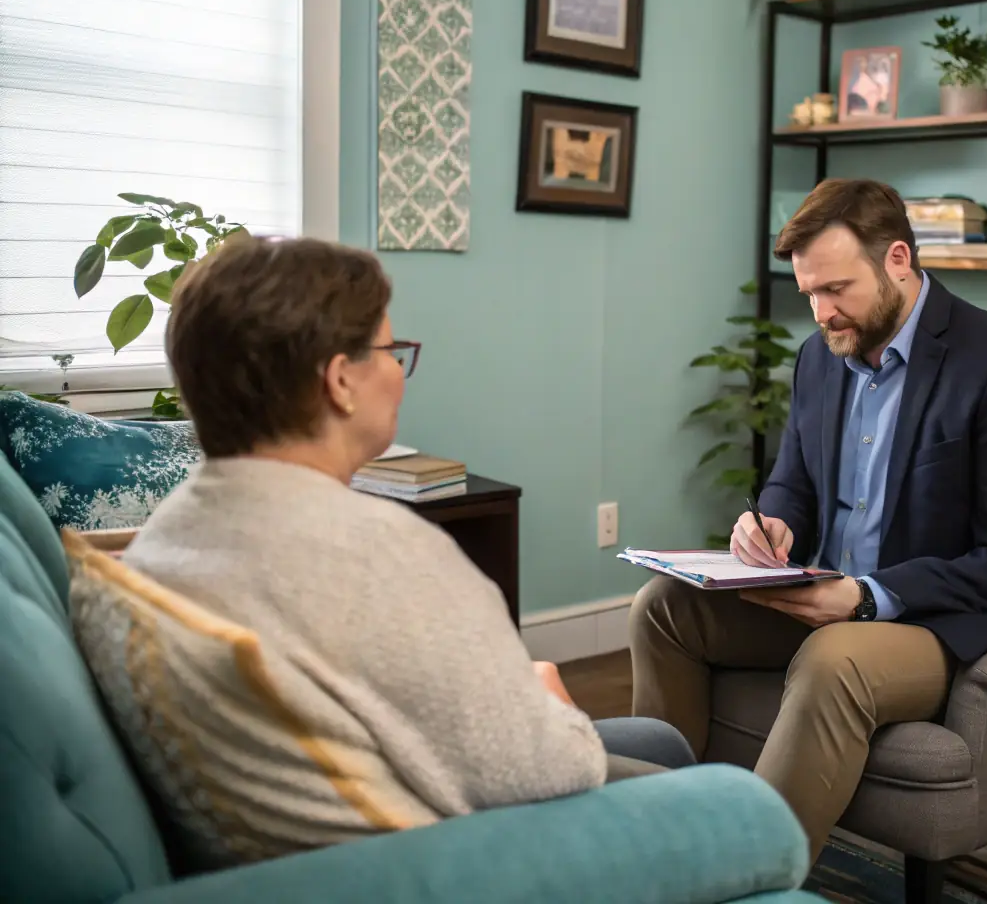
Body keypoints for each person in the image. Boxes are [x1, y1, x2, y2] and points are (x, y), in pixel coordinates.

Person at [123, 236, 692, 839]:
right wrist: (554, 706)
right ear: (340, 381)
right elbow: (554, 768)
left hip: (369, 780)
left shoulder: (165, 535)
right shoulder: (384, 552)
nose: (399, 371)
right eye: (391, 350)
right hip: (452, 848)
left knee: (658, 739)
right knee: (715, 795)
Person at [629, 178, 987, 863]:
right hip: (828, 590)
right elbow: (791, 485)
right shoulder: (818, 358)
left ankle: (744, 874)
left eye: (836, 289)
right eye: (809, 293)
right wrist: (768, 525)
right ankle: (653, 840)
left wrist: (865, 598)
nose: (821, 312)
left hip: (933, 619)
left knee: (836, 659)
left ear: (897, 259)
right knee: (662, 607)